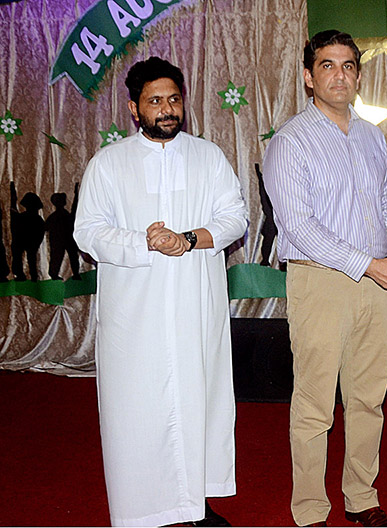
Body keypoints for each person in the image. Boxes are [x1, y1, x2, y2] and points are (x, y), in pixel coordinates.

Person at [262, 30, 387, 527]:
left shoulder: (372, 135)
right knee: (315, 402)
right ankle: (311, 510)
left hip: (377, 282)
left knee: (369, 397)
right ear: (309, 77)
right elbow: (298, 226)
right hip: (321, 280)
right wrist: (367, 263)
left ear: (358, 74)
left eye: (349, 66)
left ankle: (362, 497)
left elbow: (382, 204)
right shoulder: (290, 140)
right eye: (327, 65)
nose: (340, 75)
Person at [73, 57, 248, 527]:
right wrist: (144, 243)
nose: (167, 109)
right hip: (136, 314)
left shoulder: (207, 156)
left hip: (195, 306)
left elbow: (235, 217)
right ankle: (143, 511)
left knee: (198, 401)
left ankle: (193, 506)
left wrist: (189, 239)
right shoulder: (109, 163)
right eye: (155, 101)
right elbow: (87, 231)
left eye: (174, 99)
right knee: (138, 409)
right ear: (133, 108)